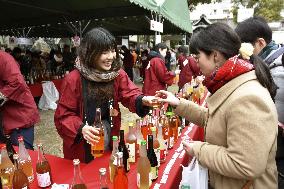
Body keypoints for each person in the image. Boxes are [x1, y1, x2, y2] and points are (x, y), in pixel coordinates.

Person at [156, 23, 278, 189]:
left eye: (197, 57)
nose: (195, 62)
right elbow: (217, 119)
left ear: (215, 56)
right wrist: (178, 104)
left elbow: (245, 164)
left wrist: (198, 149)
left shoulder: (248, 97)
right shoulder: (234, 82)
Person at [54, 27, 154, 163]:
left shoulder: (116, 74)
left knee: (110, 167)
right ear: (90, 53)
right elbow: (63, 115)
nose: (111, 57)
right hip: (83, 143)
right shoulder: (73, 79)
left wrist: (142, 99)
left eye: (113, 50)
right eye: (104, 52)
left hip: (110, 134)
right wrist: (80, 128)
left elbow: (129, 93)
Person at [235, 16, 284, 188]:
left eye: (243, 48)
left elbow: (272, 127)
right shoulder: (269, 65)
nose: (241, 55)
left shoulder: (278, 73)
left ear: (260, 43)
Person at [0, 51, 40, 149]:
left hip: (18, 117)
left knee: (22, 155)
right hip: (5, 119)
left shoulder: (3, 58)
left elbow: (17, 83)